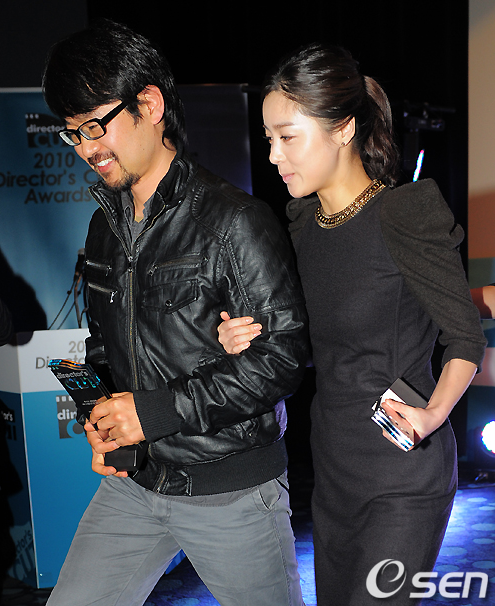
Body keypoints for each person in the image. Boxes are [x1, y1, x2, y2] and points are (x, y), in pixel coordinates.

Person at [41, 20, 309, 606]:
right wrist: (101, 421)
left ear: (150, 105)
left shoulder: (234, 221)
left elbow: (281, 359)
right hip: (135, 485)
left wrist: (153, 413)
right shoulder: (104, 226)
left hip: (231, 487)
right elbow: (103, 344)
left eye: (95, 126)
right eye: (73, 133)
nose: (86, 148)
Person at [217, 43, 487, 605]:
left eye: (287, 137)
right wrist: (247, 335)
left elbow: (463, 335)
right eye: (269, 139)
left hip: (403, 477)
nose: (273, 155)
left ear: (343, 129)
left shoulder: (402, 213)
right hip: (334, 469)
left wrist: (433, 414)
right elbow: (309, 343)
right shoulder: (302, 225)